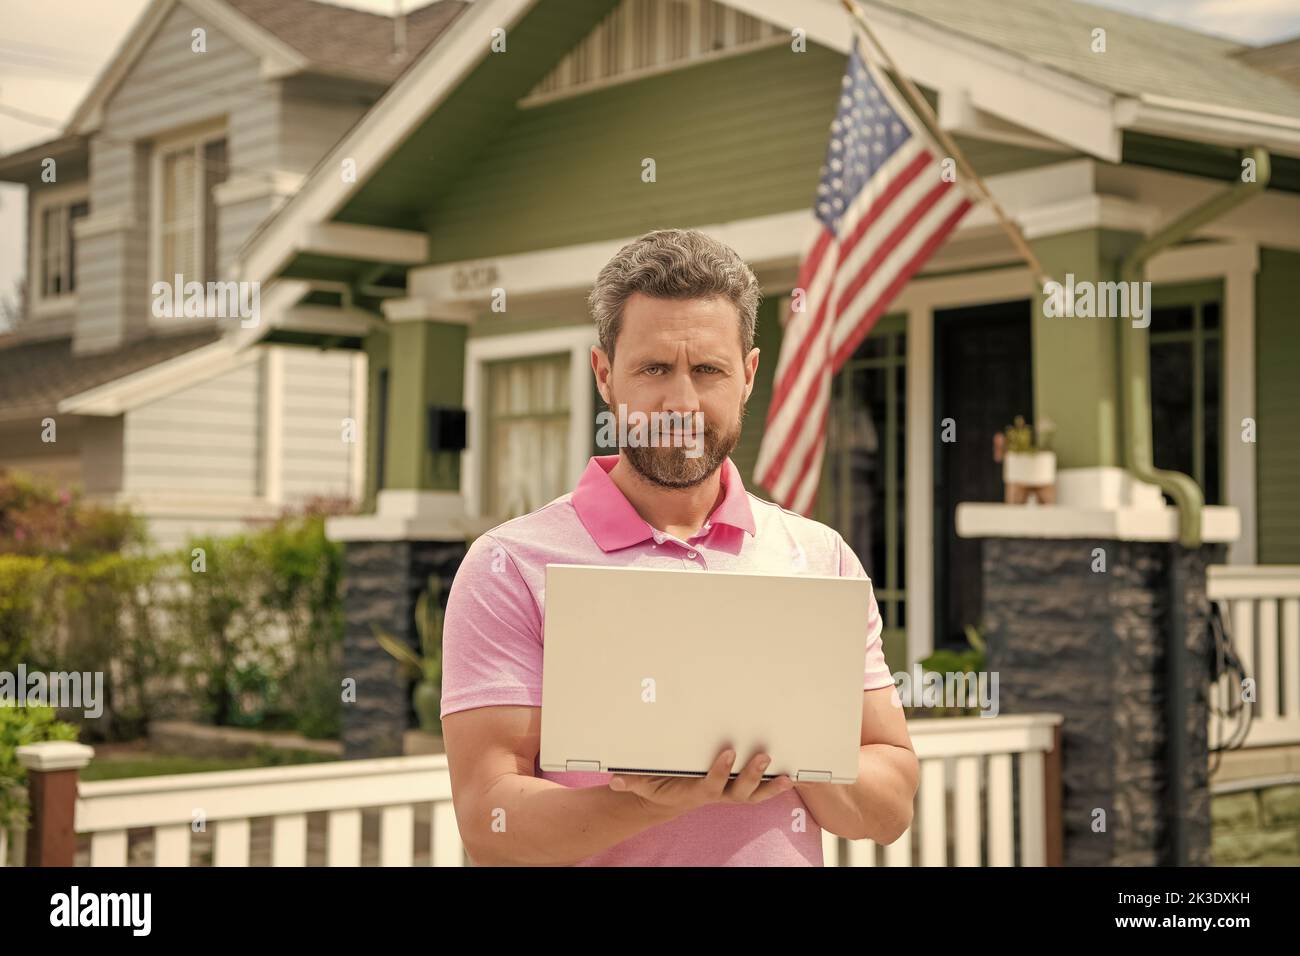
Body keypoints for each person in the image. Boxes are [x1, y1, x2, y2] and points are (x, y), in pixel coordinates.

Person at [440, 228, 917, 866]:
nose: (683, 402)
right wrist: (654, 800)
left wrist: (791, 746)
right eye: (655, 368)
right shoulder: (510, 567)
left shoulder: (819, 558)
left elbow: (891, 809)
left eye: (708, 370)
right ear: (605, 374)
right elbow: (489, 821)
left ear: (748, 376)